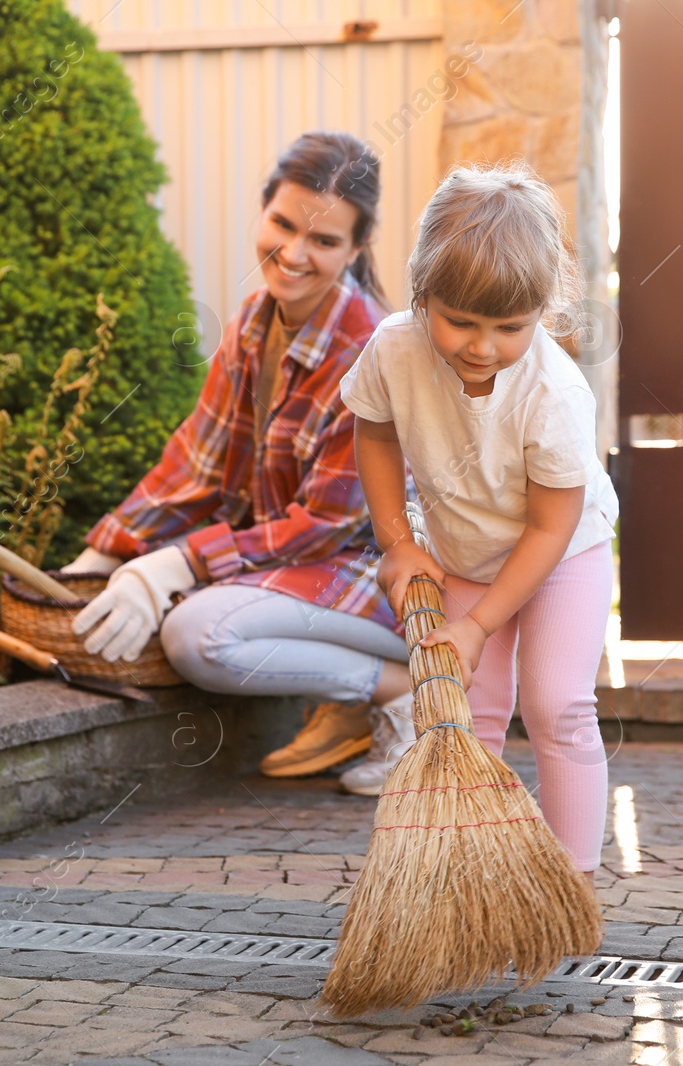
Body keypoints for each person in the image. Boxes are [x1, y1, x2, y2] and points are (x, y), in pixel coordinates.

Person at [62, 131, 416, 794]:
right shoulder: (254, 322)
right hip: (308, 565)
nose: (292, 253)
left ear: (358, 249)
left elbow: (327, 525)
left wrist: (181, 562)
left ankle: (403, 693)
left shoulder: (371, 350)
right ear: (263, 210)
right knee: (178, 603)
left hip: (385, 575)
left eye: (324, 240)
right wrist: (104, 554)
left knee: (198, 633)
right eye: (282, 223)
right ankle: (348, 705)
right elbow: (198, 462)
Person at [339, 161, 619, 881]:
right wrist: (399, 543)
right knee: (467, 710)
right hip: (464, 551)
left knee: (559, 705)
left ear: (542, 314)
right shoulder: (396, 348)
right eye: (459, 320)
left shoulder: (555, 394)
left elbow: (551, 530)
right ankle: (475, 883)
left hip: (562, 557)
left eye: (509, 327)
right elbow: (373, 432)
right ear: (422, 291)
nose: (481, 345)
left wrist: (477, 623)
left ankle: (572, 882)